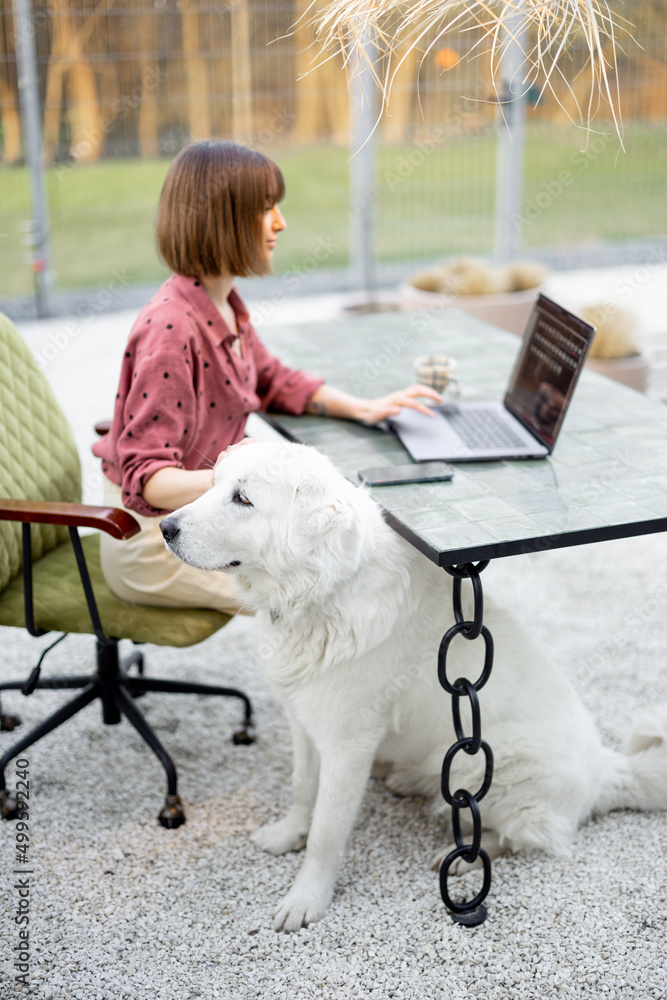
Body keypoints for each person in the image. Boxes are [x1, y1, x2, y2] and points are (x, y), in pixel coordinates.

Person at [93, 140, 441, 614]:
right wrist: (239, 476)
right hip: (153, 540)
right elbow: (147, 481)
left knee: (333, 569)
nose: (280, 223)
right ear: (222, 219)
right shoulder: (171, 330)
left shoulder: (223, 305)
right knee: (318, 592)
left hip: (198, 518)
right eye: (264, 209)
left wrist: (365, 407)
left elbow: (274, 380)